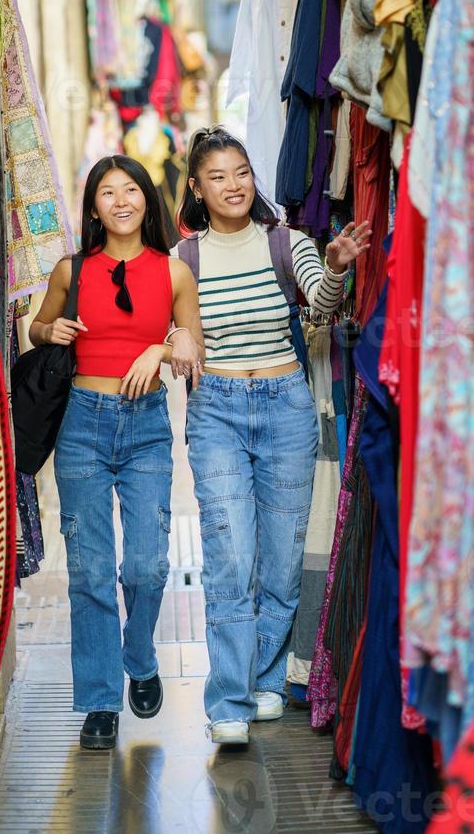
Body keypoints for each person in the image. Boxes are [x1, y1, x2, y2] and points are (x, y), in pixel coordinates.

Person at [174, 126, 371, 745]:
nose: (233, 185)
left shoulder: (290, 242)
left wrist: (334, 268)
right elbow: (170, 331)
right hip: (217, 410)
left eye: (241, 172)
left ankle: (262, 677)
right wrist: (172, 340)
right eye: (217, 177)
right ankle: (227, 700)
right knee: (231, 555)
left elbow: (320, 308)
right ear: (196, 189)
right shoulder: (183, 260)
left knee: (283, 559)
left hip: (286, 404)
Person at [30, 155, 203, 751]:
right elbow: (38, 329)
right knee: (90, 570)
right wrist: (49, 331)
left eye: (132, 189)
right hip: (81, 424)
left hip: (147, 426)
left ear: (148, 201)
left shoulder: (173, 271)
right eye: (108, 192)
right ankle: (101, 701)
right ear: (94, 206)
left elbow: (192, 345)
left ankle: (140, 655)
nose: (121, 200)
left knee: (149, 564)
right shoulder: (70, 269)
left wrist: (162, 349)